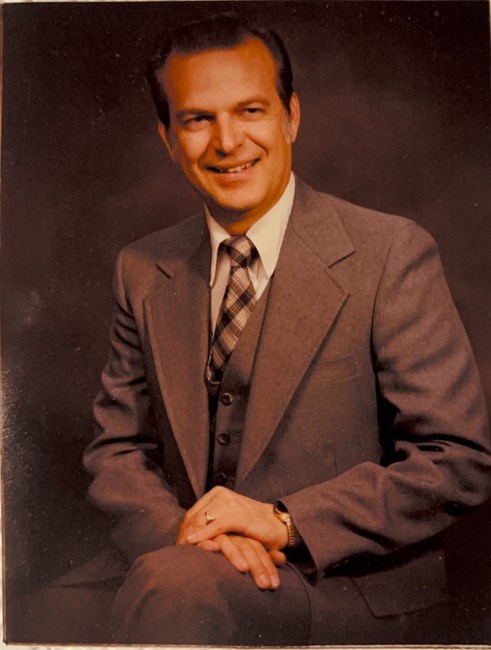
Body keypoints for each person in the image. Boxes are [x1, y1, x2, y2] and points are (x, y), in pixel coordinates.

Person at [81, 14, 490, 645]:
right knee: (44, 608)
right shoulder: (141, 268)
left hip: (340, 584)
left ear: (290, 117)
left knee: (175, 594)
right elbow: (117, 451)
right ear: (168, 138)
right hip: (178, 563)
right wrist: (182, 534)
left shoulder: (391, 253)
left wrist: (285, 521)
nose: (227, 141)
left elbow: (457, 459)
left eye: (250, 111)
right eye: (198, 119)